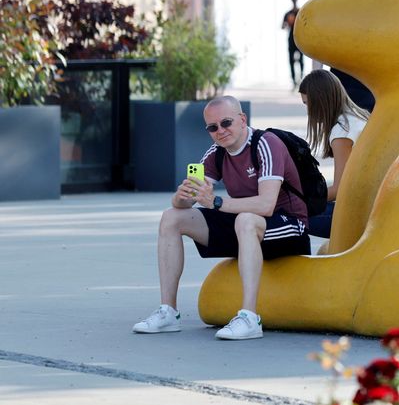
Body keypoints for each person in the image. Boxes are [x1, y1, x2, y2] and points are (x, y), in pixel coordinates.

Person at [132, 96, 310, 340]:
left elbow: (266, 205)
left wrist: (216, 202)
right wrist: (182, 197)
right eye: (212, 127)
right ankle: (168, 312)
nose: (220, 131)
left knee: (246, 219)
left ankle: (249, 318)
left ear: (242, 119)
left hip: (288, 226)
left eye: (226, 123)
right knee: (171, 217)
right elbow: (185, 202)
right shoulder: (216, 153)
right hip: (244, 225)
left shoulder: (266, 143)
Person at [299, 69, 370, 238]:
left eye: (308, 103)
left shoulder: (342, 132)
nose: (308, 111)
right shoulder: (359, 116)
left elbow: (340, 190)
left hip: (364, 212)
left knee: (294, 216)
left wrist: (299, 202)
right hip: (372, 202)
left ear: (320, 102)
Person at [282, 0, 304, 87]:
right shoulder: (288, 13)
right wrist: (288, 23)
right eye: (293, 0)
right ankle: (294, 80)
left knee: (301, 60)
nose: (294, 1)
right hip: (291, 39)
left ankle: (301, 77)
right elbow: (282, 26)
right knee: (291, 60)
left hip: (300, 39)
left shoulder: (301, 12)